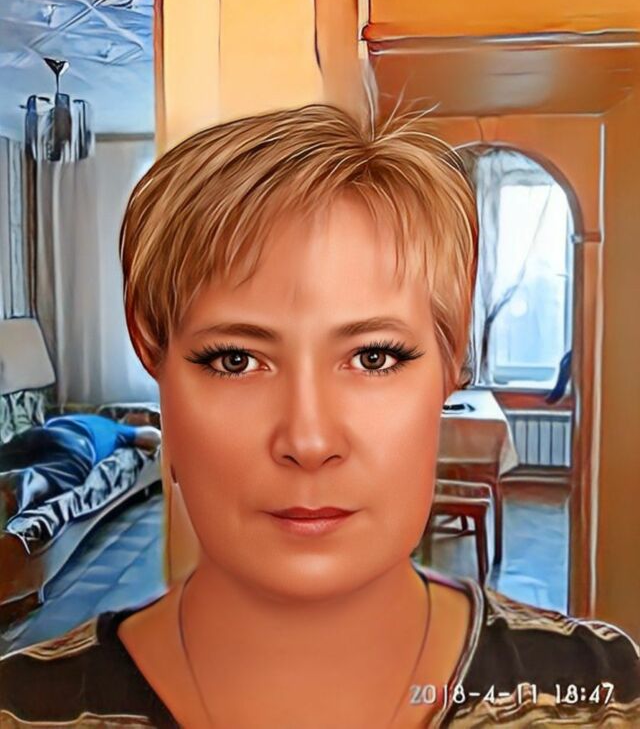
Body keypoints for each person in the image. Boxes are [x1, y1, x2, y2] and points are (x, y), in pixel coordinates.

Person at [0, 104, 638, 727]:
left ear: (451, 361)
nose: (308, 440)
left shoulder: (605, 695)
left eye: (374, 357)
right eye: (235, 360)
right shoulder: (21, 707)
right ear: (151, 351)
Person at [0, 413, 161, 528]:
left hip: (41, 433)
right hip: (78, 443)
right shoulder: (118, 428)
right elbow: (154, 437)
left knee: (8, 455)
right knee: (61, 473)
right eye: (147, 416)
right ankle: (25, 482)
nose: (146, 418)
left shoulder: (81, 416)